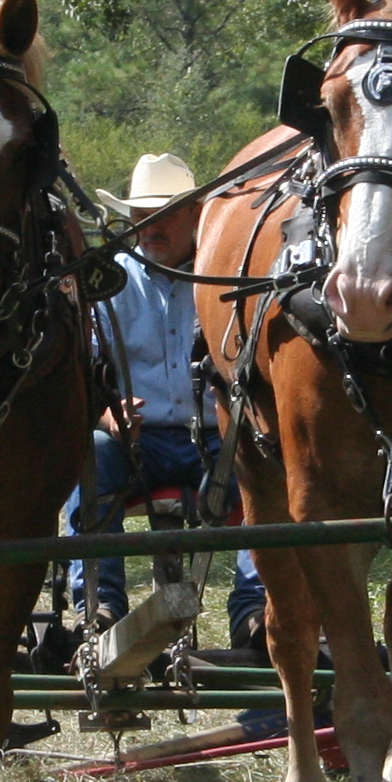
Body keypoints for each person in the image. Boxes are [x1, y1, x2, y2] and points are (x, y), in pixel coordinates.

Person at [76, 153, 265, 645]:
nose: (149, 228)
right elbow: (83, 376)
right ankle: (99, 606)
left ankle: (255, 612)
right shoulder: (109, 283)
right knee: (92, 458)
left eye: (163, 217)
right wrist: (107, 415)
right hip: (138, 445)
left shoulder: (224, 278)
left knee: (262, 470)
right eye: (141, 217)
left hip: (217, 438)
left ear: (197, 215)